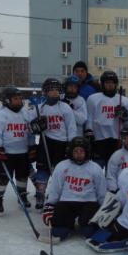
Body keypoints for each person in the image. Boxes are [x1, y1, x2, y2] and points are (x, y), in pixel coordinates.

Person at [41, 136, 106, 243]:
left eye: (81, 151)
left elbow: (101, 191)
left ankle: (83, 224)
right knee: (58, 232)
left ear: (87, 152)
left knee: (88, 231)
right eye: (76, 151)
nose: (78, 154)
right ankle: (68, 224)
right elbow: (55, 189)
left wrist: (103, 209)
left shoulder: (95, 168)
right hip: (67, 201)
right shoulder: (62, 166)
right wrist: (49, 205)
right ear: (71, 151)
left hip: (88, 202)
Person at [29, 78, 77, 209]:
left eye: (57, 90)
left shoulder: (65, 107)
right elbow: (29, 125)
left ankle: (59, 194)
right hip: (46, 142)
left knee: (60, 170)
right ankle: (40, 194)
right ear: (45, 92)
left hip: (62, 144)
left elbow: (71, 127)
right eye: (51, 90)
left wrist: (71, 145)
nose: (55, 92)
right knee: (42, 169)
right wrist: (35, 126)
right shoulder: (40, 108)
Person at [0, 87, 37, 214]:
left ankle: (22, 196)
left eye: (20, 98)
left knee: (22, 176)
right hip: (7, 154)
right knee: (3, 178)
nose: (19, 101)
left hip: (23, 152)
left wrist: (32, 145)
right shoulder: (1, 114)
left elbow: (30, 131)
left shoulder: (25, 113)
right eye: (15, 99)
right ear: (7, 100)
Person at [85, 70, 128, 169]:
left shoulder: (124, 100)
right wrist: (89, 131)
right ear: (102, 84)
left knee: (113, 168)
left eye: (112, 83)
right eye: (107, 83)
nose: (110, 85)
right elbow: (89, 117)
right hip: (99, 139)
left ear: (116, 84)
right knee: (96, 168)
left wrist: (125, 115)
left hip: (116, 140)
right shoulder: (93, 99)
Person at [106, 124, 128, 193]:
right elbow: (111, 176)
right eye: (124, 138)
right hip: (120, 191)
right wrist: (114, 190)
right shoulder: (117, 155)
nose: (125, 141)